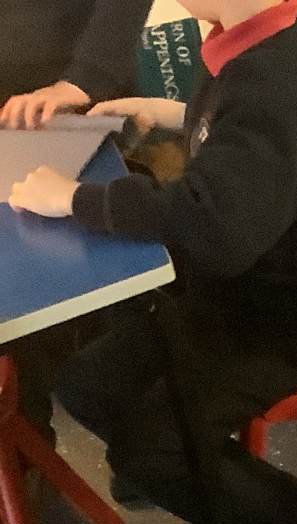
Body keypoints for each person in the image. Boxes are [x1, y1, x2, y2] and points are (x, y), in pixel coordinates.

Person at [5, 0, 297, 524]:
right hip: (254, 293)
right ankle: (222, 493)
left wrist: (75, 200)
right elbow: (241, 145)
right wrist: (171, 114)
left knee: (151, 450)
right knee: (87, 386)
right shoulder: (252, 42)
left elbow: (218, 228)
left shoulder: (270, 78)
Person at [0, 0, 151, 446]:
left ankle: (46, 434)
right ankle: (29, 439)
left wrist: (84, 80)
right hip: (18, 105)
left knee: (53, 273)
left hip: (66, 109)